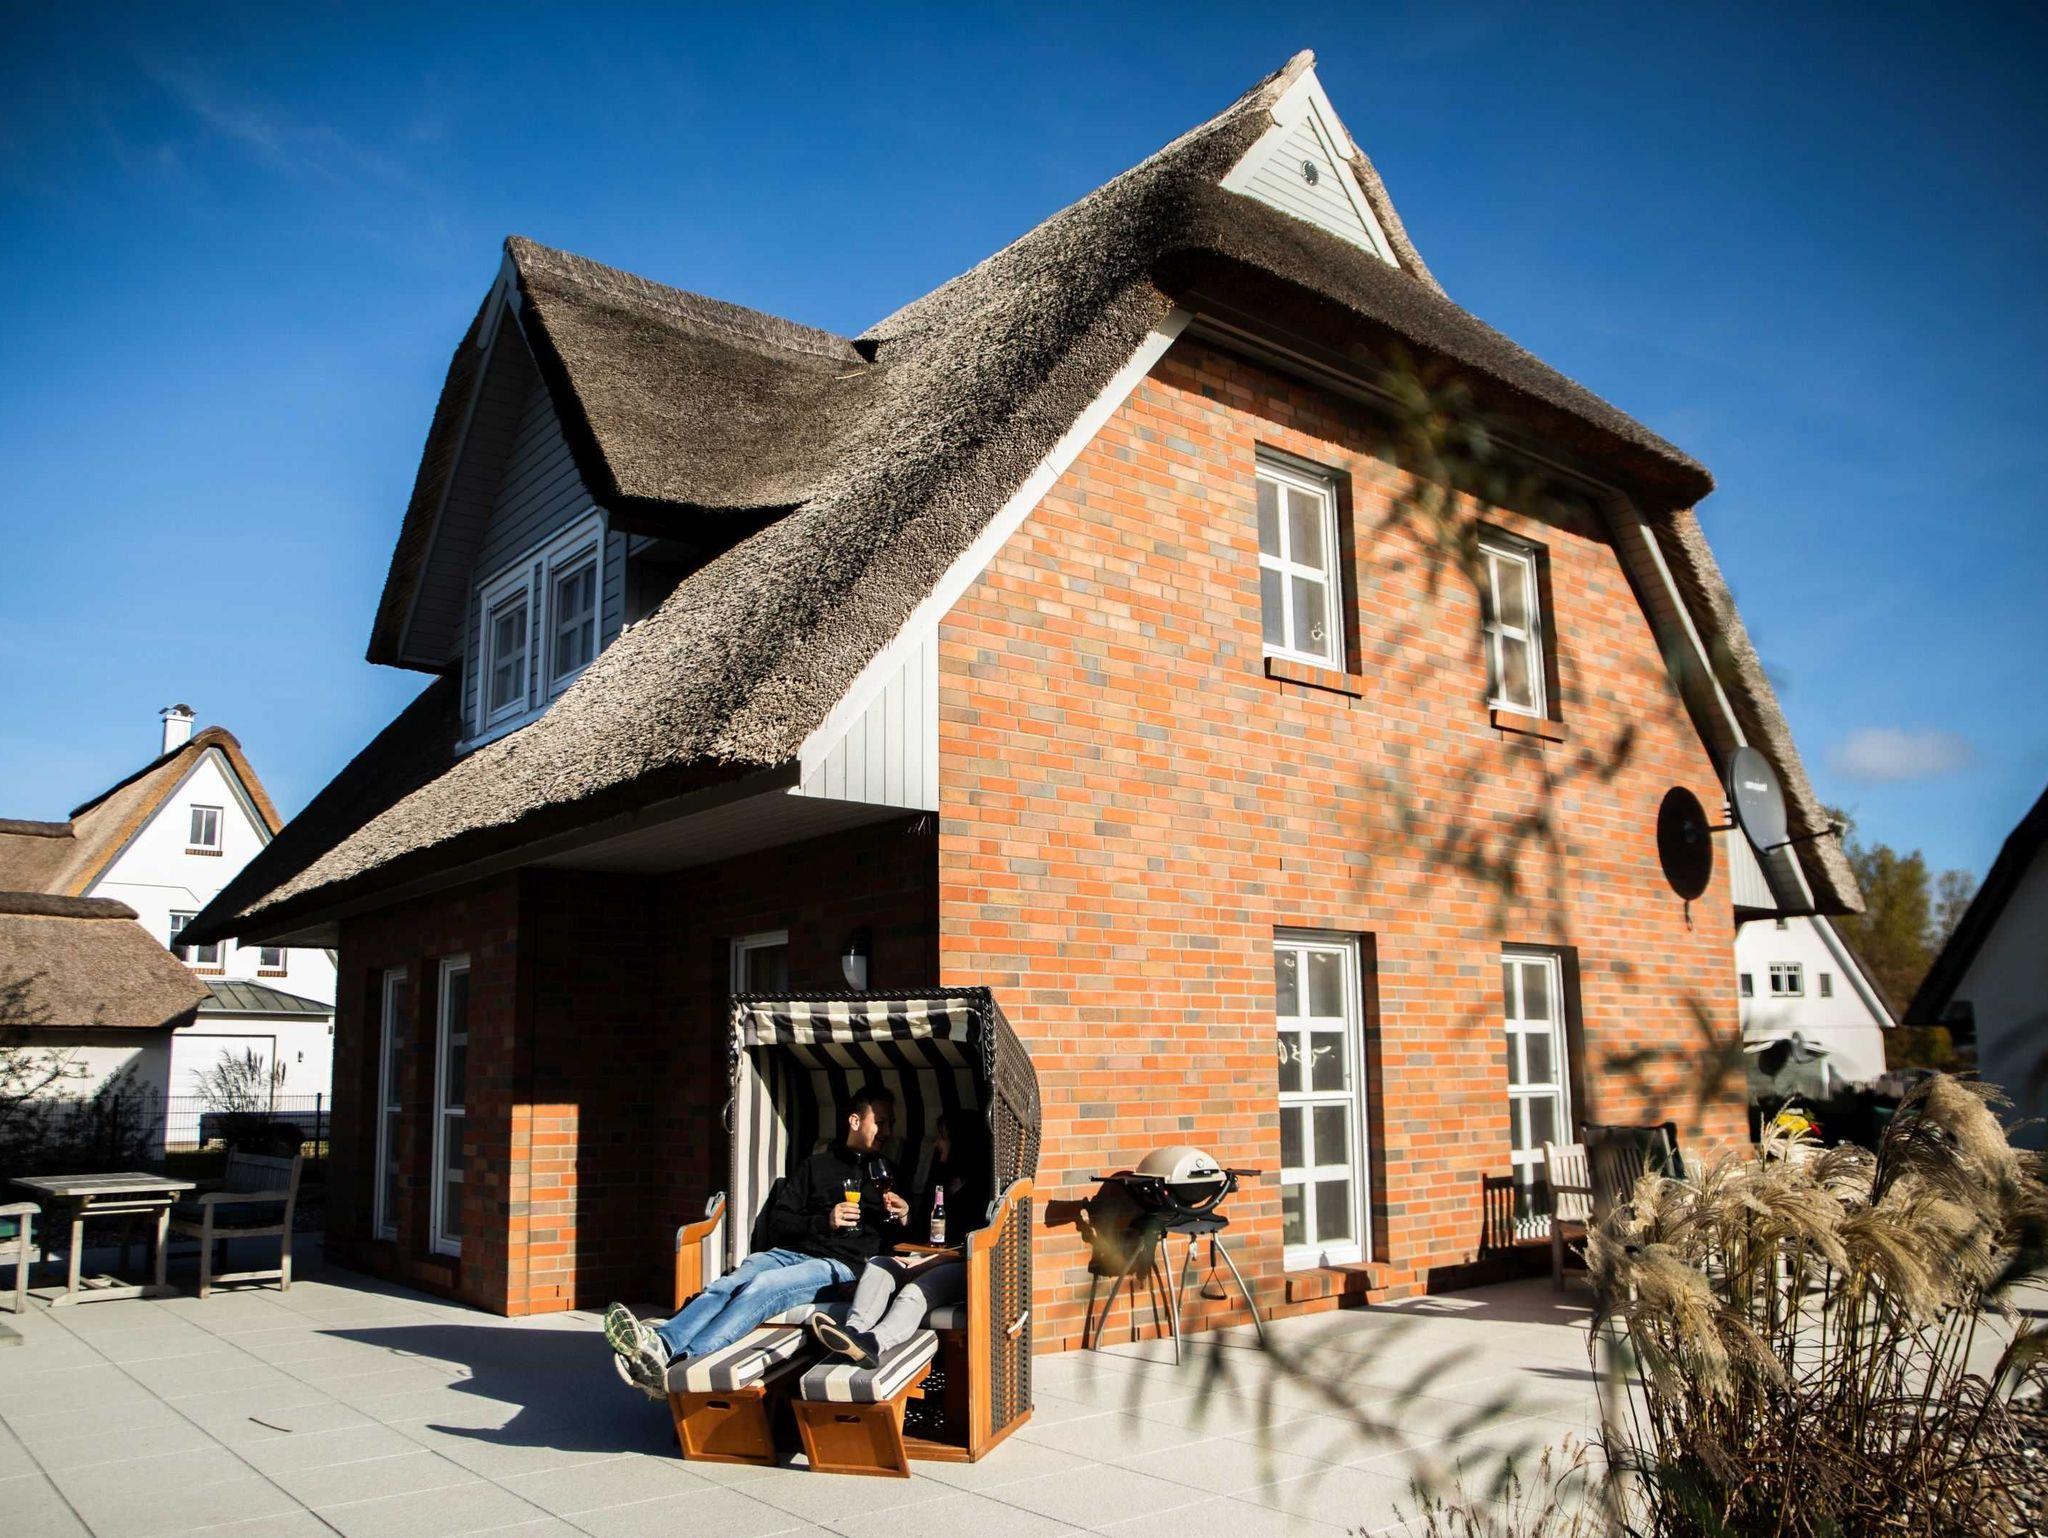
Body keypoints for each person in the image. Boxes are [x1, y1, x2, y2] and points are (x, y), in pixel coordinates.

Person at [603, 1085, 909, 1390]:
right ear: (855, 1121)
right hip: (790, 1253)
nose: (887, 1131)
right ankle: (661, 1344)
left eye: (890, 1124)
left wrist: (905, 1214)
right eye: (881, 1122)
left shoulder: (888, 1175)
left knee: (765, 1285)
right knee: (728, 1284)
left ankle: (682, 1366)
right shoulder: (816, 1166)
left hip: (839, 1265)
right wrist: (823, 1220)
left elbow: (902, 1240)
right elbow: (780, 1222)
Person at [807, 1110, 993, 1368]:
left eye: (943, 1137)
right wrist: (906, 1215)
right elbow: (923, 1231)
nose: (937, 1144)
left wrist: (928, 1262)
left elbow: (977, 1241)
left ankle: (873, 1343)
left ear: (961, 1143)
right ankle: (852, 1332)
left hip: (962, 1265)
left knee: (913, 1292)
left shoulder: (984, 1187)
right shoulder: (940, 1178)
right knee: (879, 1264)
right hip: (926, 1257)